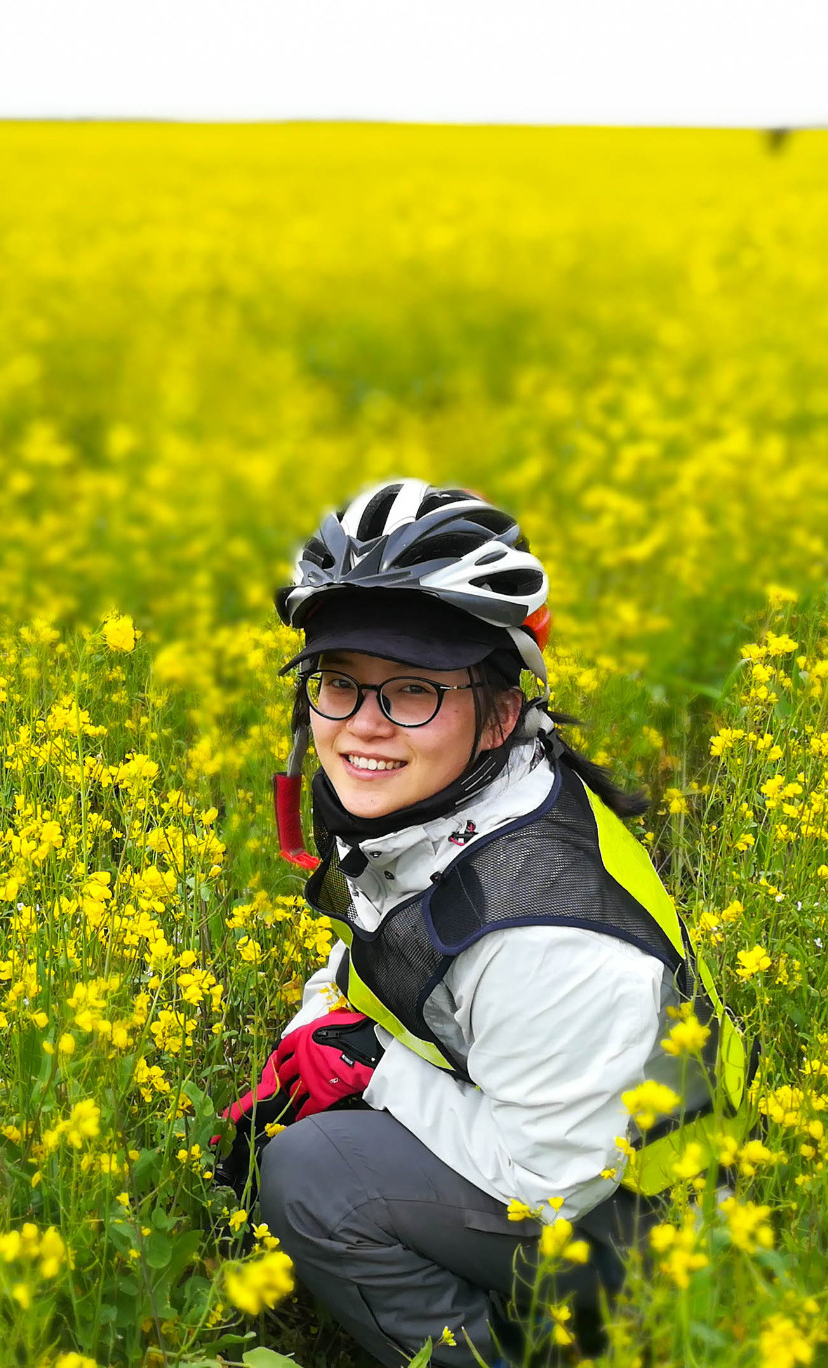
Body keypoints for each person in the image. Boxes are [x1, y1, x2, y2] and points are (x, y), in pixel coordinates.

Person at [222, 479, 753, 1366]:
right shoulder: (452, 800)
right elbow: (388, 940)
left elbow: (550, 1178)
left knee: (317, 1179)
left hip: (652, 1233)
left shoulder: (547, 936)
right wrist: (318, 1031)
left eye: (413, 693)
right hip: (577, 1150)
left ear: (502, 711)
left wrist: (369, 1068)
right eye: (339, 685)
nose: (363, 728)